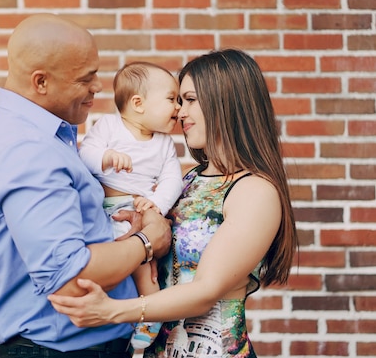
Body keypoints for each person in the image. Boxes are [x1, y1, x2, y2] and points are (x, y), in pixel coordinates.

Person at [48, 48, 298, 358]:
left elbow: (205, 292)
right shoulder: (190, 180)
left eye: (190, 100)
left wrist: (112, 311)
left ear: (226, 101)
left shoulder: (254, 190)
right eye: (178, 101)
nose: (179, 112)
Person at [0, 13, 172, 358]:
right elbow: (71, 277)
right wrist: (148, 241)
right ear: (41, 82)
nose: (97, 87)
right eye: (85, 78)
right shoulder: (27, 149)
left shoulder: (39, 135)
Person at [79, 61, 183, 349]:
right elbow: (85, 153)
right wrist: (106, 156)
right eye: (171, 99)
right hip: (105, 210)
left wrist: (155, 204)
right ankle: (97, 307)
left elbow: (173, 179)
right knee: (102, 260)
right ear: (138, 103)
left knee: (143, 269)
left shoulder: (163, 144)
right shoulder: (109, 126)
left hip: (139, 211)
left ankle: (150, 318)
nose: (178, 108)